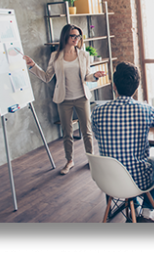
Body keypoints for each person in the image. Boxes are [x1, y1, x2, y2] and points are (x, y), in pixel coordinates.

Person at [24, 24, 106, 175]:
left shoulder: (84, 55)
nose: (76, 39)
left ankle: (91, 159)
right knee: (67, 132)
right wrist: (32, 66)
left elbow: (87, 76)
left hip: (82, 97)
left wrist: (95, 76)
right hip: (64, 99)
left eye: (78, 36)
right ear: (65, 37)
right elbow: (47, 77)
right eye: (73, 36)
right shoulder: (55, 56)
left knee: (86, 131)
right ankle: (69, 161)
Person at [91, 61, 154, 223]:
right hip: (137, 180)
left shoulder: (98, 111)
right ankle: (146, 212)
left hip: (107, 179)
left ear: (114, 86)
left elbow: (97, 135)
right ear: (136, 88)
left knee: (120, 159)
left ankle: (133, 206)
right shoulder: (146, 110)